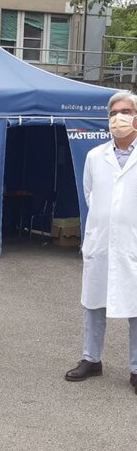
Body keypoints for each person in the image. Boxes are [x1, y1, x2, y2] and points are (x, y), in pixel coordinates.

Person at [65, 91, 137, 393]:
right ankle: (91, 359)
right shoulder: (96, 156)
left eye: (125, 111)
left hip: (132, 245)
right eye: (113, 113)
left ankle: (136, 368)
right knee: (93, 304)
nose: (118, 118)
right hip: (101, 242)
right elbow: (90, 195)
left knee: (136, 308)